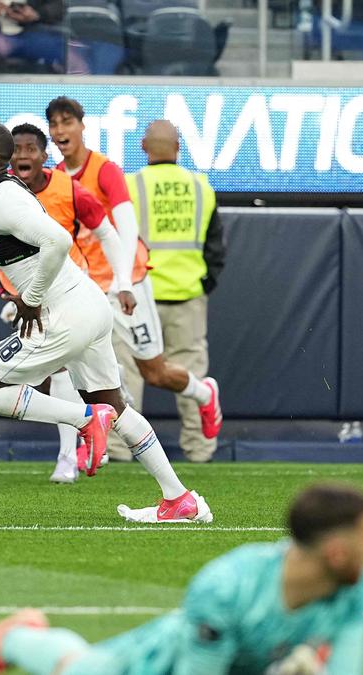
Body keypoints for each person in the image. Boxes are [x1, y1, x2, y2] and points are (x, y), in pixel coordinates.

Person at [0, 122, 212, 523]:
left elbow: (58, 240)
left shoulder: (3, 199)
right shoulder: (1, 197)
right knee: (114, 405)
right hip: (89, 306)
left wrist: (31, 297)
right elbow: (2, 257)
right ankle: (179, 498)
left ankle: (86, 421)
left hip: (67, 313)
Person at [0, 483, 363, 675]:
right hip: (154, 665)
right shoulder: (227, 586)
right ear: (335, 551)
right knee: (80, 669)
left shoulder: (355, 583)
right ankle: (16, 637)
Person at [47, 96, 223, 463]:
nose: (61, 130)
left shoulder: (116, 175)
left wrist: (125, 280)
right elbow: (216, 243)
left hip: (132, 284)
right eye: (55, 124)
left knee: (151, 372)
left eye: (67, 122)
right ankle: (105, 448)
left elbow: (125, 228)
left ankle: (203, 396)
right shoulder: (200, 186)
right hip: (114, 288)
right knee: (92, 367)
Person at [0, 122, 133, 483]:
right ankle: (176, 493)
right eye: (18, 149)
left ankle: (70, 452)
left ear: (43, 156)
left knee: (2, 384)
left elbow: (95, 233)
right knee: (107, 400)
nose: (24, 155)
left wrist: (124, 281)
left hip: (63, 297)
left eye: (30, 149)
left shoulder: (66, 189)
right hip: (34, 296)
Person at [126, 120, 227, 462]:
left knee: (127, 374)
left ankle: (118, 451)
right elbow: (216, 247)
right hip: (187, 295)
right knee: (192, 377)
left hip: (139, 297)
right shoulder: (201, 186)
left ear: (143, 147)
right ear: (179, 147)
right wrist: (203, 283)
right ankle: (200, 450)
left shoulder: (130, 185)